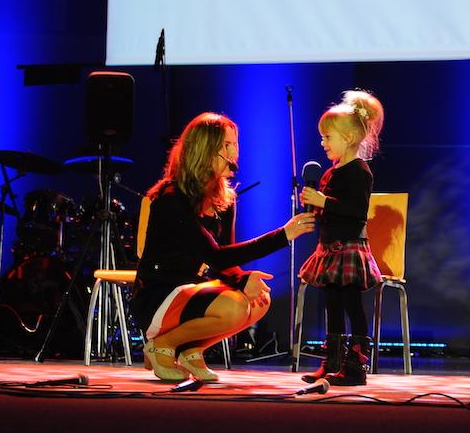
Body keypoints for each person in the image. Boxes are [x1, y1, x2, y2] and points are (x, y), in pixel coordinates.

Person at [131, 112, 315, 382]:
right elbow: (214, 255)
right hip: (161, 293)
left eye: (235, 144)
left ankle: (191, 350)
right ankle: (162, 345)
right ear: (204, 151)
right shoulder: (172, 197)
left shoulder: (224, 199)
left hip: (194, 289)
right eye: (226, 146)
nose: (234, 153)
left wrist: (243, 279)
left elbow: (224, 260)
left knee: (259, 300)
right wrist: (283, 235)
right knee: (234, 307)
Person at [298, 90, 384, 386]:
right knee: (332, 304)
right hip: (329, 248)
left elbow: (357, 211)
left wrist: (324, 202)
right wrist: (314, 207)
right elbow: (330, 209)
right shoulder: (331, 173)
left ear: (347, 139)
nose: (323, 143)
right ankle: (332, 361)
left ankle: (356, 366)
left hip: (349, 248)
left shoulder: (359, 171)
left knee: (351, 304)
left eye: (327, 138)